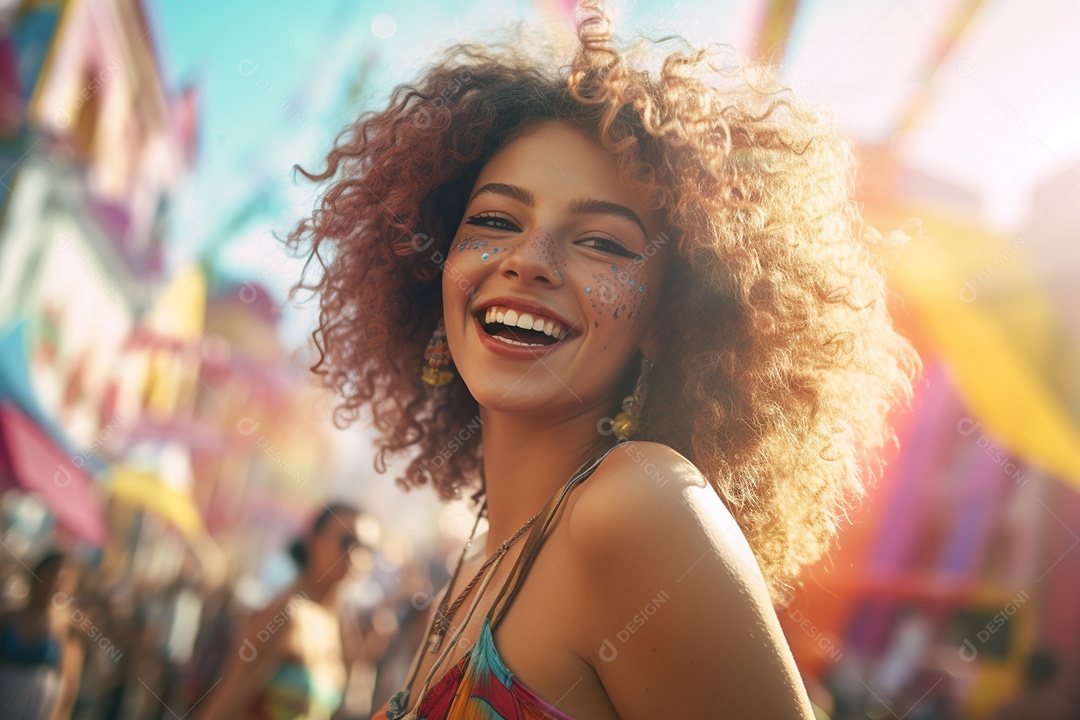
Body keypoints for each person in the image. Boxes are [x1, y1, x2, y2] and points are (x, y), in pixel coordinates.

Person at [288, 2, 918, 718]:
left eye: (603, 243)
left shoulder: (636, 503)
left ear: (669, 320)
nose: (530, 260)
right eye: (495, 221)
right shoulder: (474, 563)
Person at [194, 503, 380, 720]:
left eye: (368, 549)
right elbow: (225, 702)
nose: (356, 556)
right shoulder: (285, 615)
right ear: (314, 541)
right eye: (347, 542)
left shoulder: (338, 625)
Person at [0, 550, 84, 720]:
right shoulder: (8, 618)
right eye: (50, 575)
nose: (55, 584)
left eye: (63, 580)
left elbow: (68, 694)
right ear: (36, 575)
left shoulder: (68, 631)